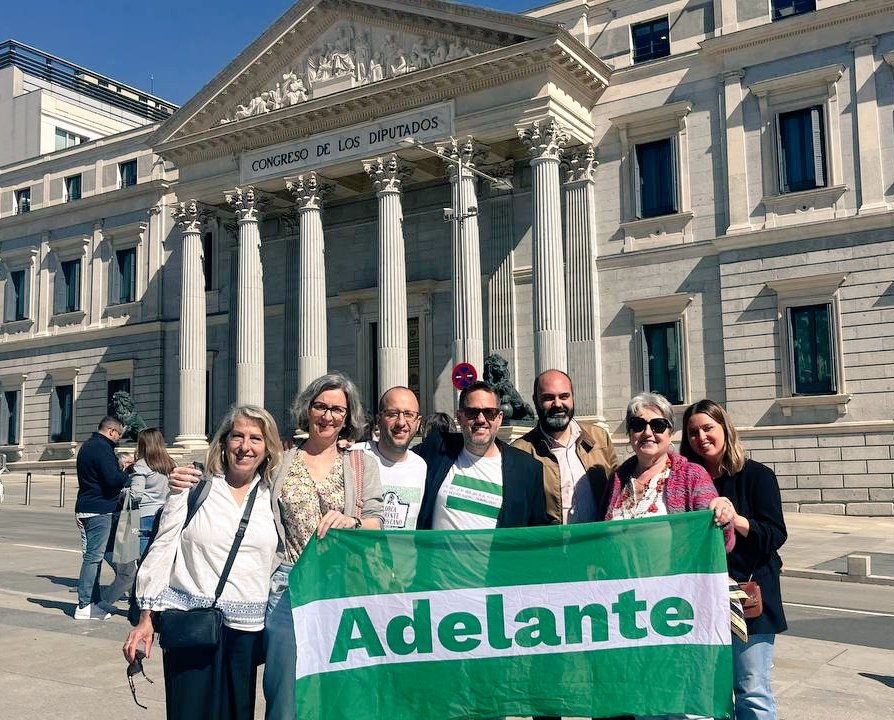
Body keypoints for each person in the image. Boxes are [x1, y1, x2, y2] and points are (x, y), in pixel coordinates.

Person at [123, 405, 283, 720]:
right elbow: (162, 548)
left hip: (246, 632)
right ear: (223, 442)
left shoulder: (273, 495)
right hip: (190, 623)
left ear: (268, 449)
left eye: (255, 439)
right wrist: (146, 619)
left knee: (237, 714)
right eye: (237, 436)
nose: (245, 447)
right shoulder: (195, 487)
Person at [264, 373, 384, 720]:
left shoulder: (361, 464)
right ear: (308, 408)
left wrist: (354, 523)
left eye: (337, 410)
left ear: (348, 417)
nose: (328, 416)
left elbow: (376, 522)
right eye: (321, 406)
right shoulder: (280, 460)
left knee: (342, 686)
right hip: (289, 583)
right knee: (284, 690)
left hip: (342, 585)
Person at [681, 399, 787, 720]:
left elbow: (775, 534)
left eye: (708, 428)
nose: (702, 437)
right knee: (707, 693)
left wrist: (735, 518)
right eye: (693, 432)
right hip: (701, 601)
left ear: (724, 429)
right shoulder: (686, 480)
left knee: (752, 691)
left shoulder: (757, 476)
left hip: (750, 598)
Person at [416, 380, 551, 530]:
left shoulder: (527, 468)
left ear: (499, 418)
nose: (480, 419)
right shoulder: (437, 448)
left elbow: (538, 530)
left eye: (489, 412)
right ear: (459, 417)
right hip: (438, 554)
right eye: (472, 412)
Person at [606, 392, 734, 548]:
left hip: (675, 572)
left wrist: (723, 517)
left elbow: (721, 541)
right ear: (630, 432)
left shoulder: (693, 475)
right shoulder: (616, 479)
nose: (647, 433)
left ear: (670, 433)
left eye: (658, 425)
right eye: (638, 424)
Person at [513, 369, 617, 524]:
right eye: (548, 398)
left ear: (572, 398)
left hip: (599, 543)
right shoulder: (520, 452)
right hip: (554, 546)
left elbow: (618, 488)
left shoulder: (599, 438)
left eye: (564, 396)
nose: (557, 404)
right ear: (535, 401)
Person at [74, 416, 130, 620]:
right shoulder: (103, 449)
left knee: (96, 556)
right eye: (119, 435)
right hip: (99, 509)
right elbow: (112, 480)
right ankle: (84, 605)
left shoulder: (87, 446)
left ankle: (94, 602)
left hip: (86, 506)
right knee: (93, 558)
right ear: (112, 431)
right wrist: (126, 471)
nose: (119, 439)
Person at [360, 386, 427, 530]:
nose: (401, 422)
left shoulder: (421, 466)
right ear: (379, 420)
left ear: (418, 422)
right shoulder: (356, 457)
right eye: (392, 414)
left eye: (408, 414)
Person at [129, 427, 175, 555]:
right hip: (165, 512)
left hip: (145, 514)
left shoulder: (142, 464)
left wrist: (124, 493)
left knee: (143, 552)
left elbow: (136, 494)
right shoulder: (171, 464)